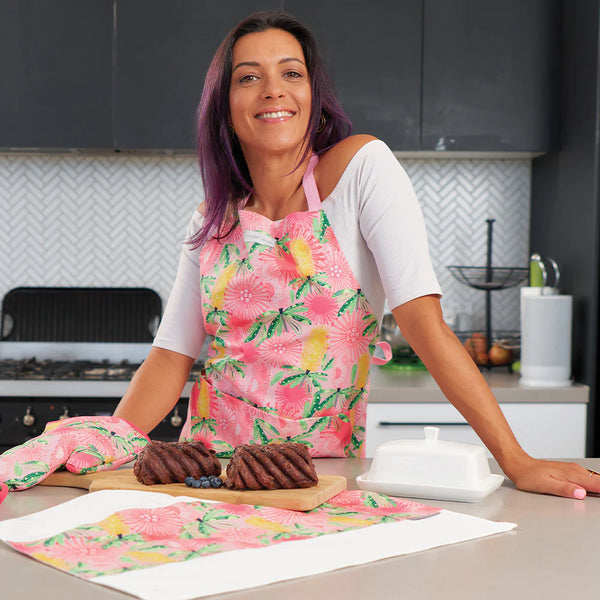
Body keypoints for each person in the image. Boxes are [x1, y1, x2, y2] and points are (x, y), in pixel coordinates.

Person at [1, 10, 598, 501]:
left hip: (315, 479)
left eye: (291, 72)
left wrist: (515, 460)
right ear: (226, 106)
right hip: (206, 479)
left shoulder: (364, 169)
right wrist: (106, 444)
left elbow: (426, 324)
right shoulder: (212, 218)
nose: (273, 90)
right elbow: (169, 359)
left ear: (313, 93)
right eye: (249, 77)